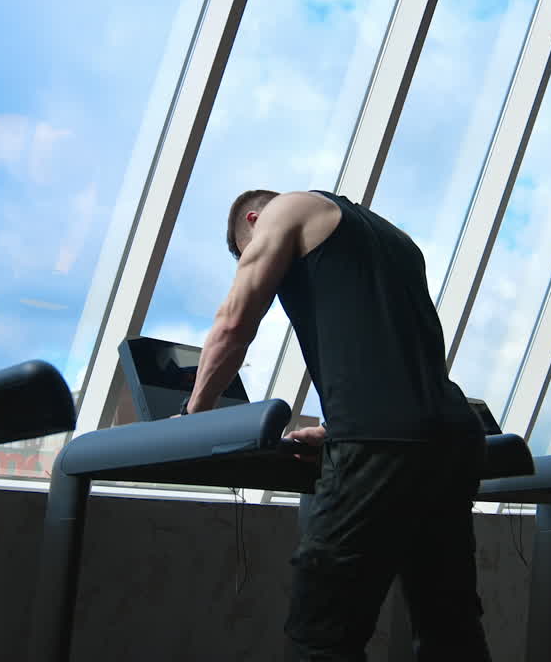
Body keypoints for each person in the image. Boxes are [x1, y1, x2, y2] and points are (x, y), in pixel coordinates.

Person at [181, 189, 492, 661]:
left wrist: (193, 415)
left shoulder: (285, 210)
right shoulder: (395, 239)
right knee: (449, 629)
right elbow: (402, 360)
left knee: (320, 635)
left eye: (250, 255)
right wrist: (333, 431)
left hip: (382, 445)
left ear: (253, 219)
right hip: (452, 436)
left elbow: (233, 324)